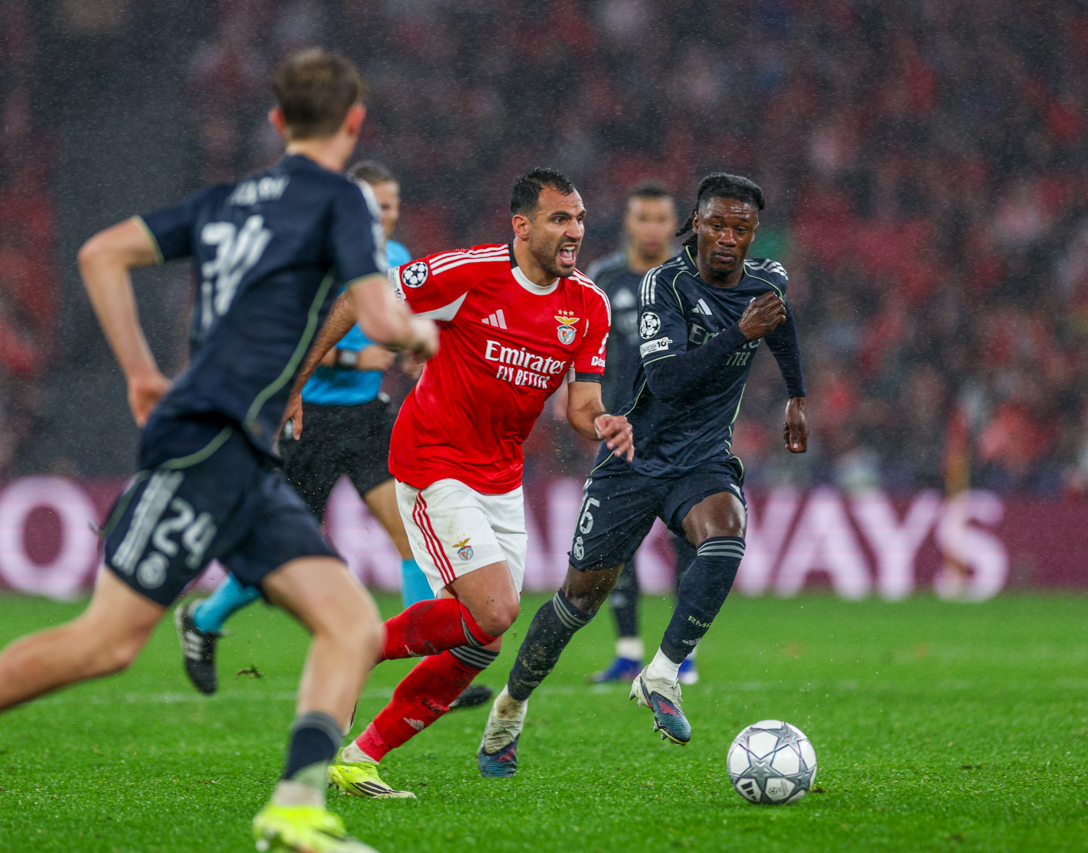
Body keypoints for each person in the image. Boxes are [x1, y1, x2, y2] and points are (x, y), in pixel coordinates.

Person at [0, 48, 436, 853]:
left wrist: (138, 373)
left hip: (239, 451)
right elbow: (381, 314)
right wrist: (418, 333)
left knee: (351, 623)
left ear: (276, 121)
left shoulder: (227, 201)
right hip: (206, 446)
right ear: (356, 120)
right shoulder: (344, 203)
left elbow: (101, 253)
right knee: (105, 643)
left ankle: (295, 808)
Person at [286, 168, 631, 798]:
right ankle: (355, 644)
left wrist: (604, 421)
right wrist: (297, 380)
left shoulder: (588, 305)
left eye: (579, 218)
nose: (575, 231)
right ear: (522, 225)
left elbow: (582, 404)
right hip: (432, 460)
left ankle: (360, 757)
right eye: (560, 219)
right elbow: (364, 297)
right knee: (496, 609)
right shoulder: (467, 274)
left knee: (483, 638)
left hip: (501, 476)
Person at [477, 172, 808, 777]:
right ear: (696, 226)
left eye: (742, 229)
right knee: (578, 601)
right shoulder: (665, 285)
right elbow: (669, 381)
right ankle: (509, 709)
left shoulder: (769, 279)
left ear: (754, 234)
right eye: (717, 226)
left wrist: (797, 395)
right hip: (633, 454)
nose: (729, 238)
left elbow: (779, 322)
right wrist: (740, 332)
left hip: (702, 457)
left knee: (726, 536)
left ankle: (662, 672)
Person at [175, 160, 496, 709]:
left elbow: (408, 326)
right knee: (286, 556)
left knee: (411, 539)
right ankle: (203, 619)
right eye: (372, 208)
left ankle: (424, 665)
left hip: (369, 417)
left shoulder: (396, 263)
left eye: (391, 207)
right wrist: (353, 354)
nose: (384, 219)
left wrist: (418, 348)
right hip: (309, 423)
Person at [583, 183, 700, 686]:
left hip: (682, 431)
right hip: (621, 430)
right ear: (629, 223)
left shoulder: (691, 278)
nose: (652, 227)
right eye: (643, 218)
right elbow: (583, 351)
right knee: (615, 544)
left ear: (673, 224)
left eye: (660, 218)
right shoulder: (603, 279)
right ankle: (628, 652)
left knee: (687, 540)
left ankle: (682, 655)